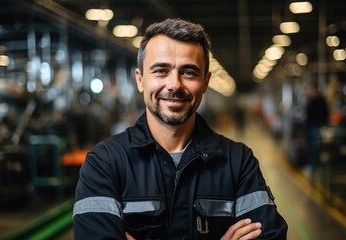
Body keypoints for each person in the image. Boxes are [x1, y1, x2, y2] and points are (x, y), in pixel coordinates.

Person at [73, 18, 288, 239]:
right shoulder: (104, 163)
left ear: (205, 81)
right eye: (161, 71)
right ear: (140, 80)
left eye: (189, 72)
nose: (175, 85)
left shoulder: (238, 162)